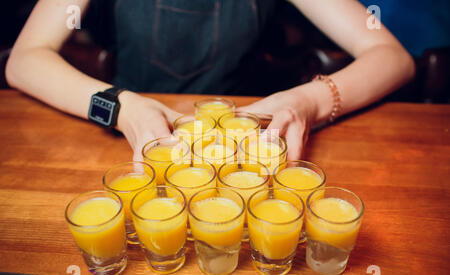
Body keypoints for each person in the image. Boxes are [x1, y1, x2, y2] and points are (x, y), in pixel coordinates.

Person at [5, 0, 415, 161]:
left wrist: (307, 102)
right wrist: (123, 109)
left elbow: (393, 59)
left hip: (247, 153)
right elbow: (24, 60)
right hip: (130, 148)